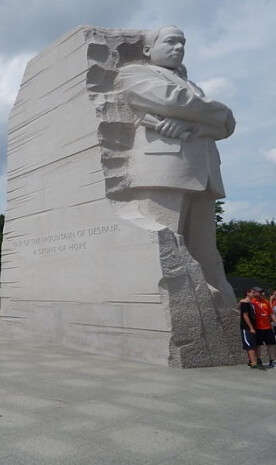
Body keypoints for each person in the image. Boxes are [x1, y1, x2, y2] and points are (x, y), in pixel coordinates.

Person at [114, 26, 235, 289]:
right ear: (148, 49)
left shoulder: (193, 87)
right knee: (167, 246)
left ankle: (215, 303)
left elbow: (227, 125)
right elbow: (173, 101)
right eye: (171, 42)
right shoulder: (133, 73)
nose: (179, 48)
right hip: (164, 169)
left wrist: (194, 126)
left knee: (206, 253)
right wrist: (216, 113)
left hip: (204, 174)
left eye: (182, 43)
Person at [250, 287, 276, 368]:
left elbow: (271, 314)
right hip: (258, 327)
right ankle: (258, 360)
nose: (262, 294)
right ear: (255, 293)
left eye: (263, 292)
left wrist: (275, 321)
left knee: (271, 344)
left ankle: (272, 361)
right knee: (258, 345)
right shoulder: (252, 302)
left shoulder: (266, 302)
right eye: (260, 292)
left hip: (267, 327)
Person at [240, 288, 262, 369]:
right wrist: (251, 327)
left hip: (253, 327)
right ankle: (253, 362)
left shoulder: (250, 303)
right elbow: (245, 316)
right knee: (250, 345)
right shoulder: (244, 303)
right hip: (247, 328)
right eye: (252, 292)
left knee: (253, 344)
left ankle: (252, 361)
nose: (254, 294)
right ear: (247, 293)